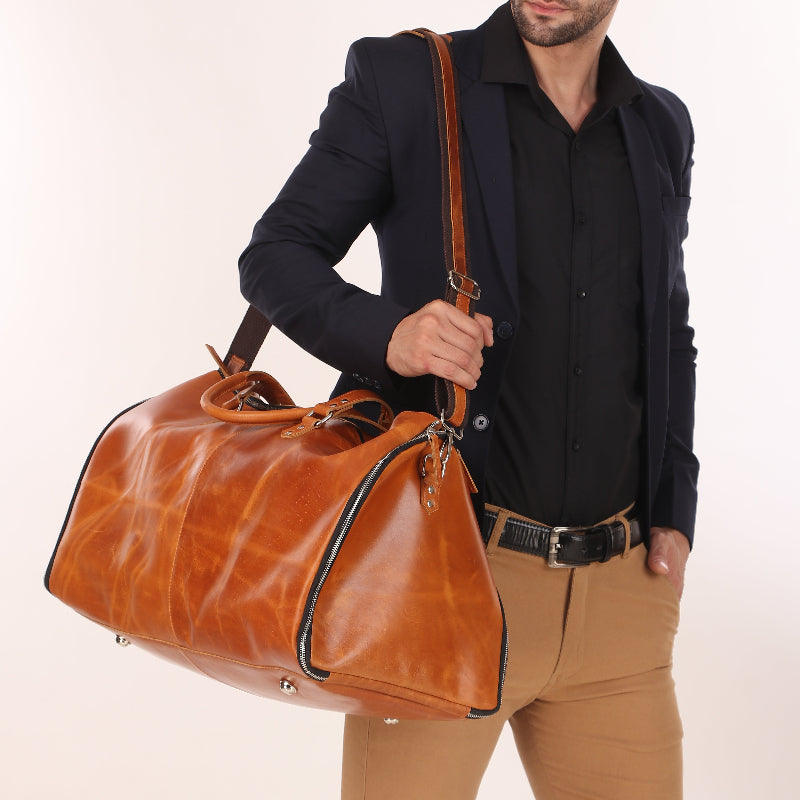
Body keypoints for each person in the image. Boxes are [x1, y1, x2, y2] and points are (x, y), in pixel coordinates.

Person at [238, 1, 698, 797]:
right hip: (439, 578)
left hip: (620, 604)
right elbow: (278, 253)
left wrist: (674, 511)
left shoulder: (659, 123)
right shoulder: (409, 82)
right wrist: (389, 335)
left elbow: (667, 329)